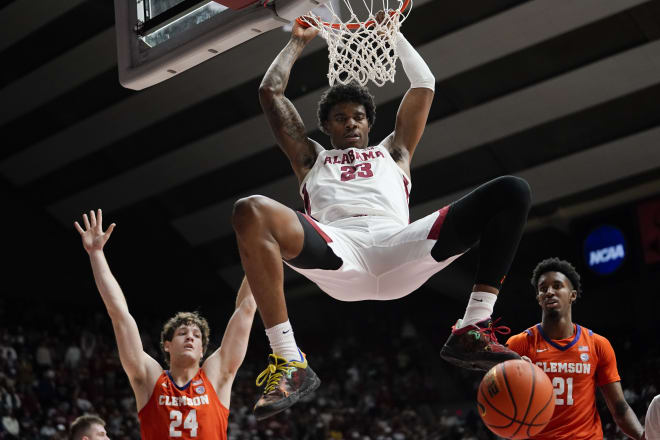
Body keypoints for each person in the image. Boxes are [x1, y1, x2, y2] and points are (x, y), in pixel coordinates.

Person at [232, 19, 532, 420]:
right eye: (340, 118)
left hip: (401, 244)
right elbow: (270, 92)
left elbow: (424, 84)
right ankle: (290, 360)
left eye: (358, 116)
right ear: (327, 126)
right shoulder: (310, 159)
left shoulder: (395, 152)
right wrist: (296, 42)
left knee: (512, 191)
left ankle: (472, 328)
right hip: (340, 249)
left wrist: (393, 33)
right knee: (249, 209)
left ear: (370, 122)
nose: (350, 123)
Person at [75, 209, 256, 439]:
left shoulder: (216, 377)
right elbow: (119, 315)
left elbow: (246, 309)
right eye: (182, 333)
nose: (191, 337)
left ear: (202, 351)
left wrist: (260, 252)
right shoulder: (150, 380)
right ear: (167, 345)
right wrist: (96, 253)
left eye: (197, 335)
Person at [506, 258, 644, 440]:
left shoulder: (598, 344)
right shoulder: (519, 345)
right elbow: (502, 399)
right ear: (539, 298)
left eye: (557, 286)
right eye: (543, 289)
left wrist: (643, 437)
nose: (549, 292)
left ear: (572, 295)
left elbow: (619, 408)